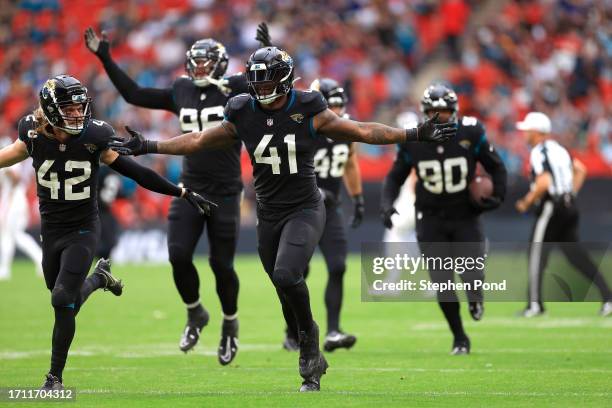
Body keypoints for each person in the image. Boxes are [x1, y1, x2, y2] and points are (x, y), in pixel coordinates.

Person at [109, 47, 456, 391]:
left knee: (287, 273)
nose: (259, 87)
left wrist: (410, 134)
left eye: (266, 80)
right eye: (255, 80)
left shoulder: (308, 107)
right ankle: (307, 340)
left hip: (305, 206)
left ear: (285, 80)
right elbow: (200, 139)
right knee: (283, 287)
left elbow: (361, 131)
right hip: (269, 213)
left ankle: (309, 343)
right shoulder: (242, 109)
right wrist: (150, 146)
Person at [0, 75, 215, 390]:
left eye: (79, 107)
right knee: (64, 298)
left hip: (83, 228)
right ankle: (100, 278)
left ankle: (54, 378)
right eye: (69, 109)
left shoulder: (94, 137)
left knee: (62, 299)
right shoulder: (33, 134)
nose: (77, 114)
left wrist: (181, 192)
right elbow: (8, 156)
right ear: (50, 108)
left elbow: (137, 173)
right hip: (52, 228)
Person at [85, 24, 271, 364]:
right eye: (195, 62)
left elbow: (268, 85)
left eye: (206, 63)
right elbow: (134, 94)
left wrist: (267, 49)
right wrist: (106, 57)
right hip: (190, 186)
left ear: (220, 64)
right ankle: (195, 312)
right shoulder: (182, 89)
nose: (199, 68)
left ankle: (230, 322)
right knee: (178, 254)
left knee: (221, 264)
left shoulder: (238, 88)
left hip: (226, 189)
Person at [381, 83, 507, 355]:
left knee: (471, 271)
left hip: (464, 213)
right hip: (431, 217)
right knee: (442, 281)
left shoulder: (471, 133)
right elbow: (395, 175)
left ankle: (475, 296)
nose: (440, 117)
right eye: (434, 112)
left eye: (446, 112)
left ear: (455, 112)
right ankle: (459, 337)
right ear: (425, 112)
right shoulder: (415, 139)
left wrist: (499, 195)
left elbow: (497, 166)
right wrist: (386, 203)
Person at [281, 78, 364, 353]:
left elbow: (350, 161)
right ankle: (293, 331)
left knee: (338, 266)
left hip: (332, 209)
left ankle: (333, 330)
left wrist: (358, 198)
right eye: (333, 105)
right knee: (296, 271)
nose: (337, 112)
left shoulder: (345, 127)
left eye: (340, 105)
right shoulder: (306, 127)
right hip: (301, 208)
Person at [515, 112, 612, 317]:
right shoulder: (560, 149)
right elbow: (581, 170)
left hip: (551, 207)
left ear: (537, 131)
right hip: (568, 207)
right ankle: (608, 298)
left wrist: (526, 201)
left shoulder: (538, 151)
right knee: (576, 256)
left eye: (527, 129)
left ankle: (535, 305)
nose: (524, 133)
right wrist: (570, 194)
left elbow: (544, 182)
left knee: (536, 254)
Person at [0, 137, 43, 279]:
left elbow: (16, 177)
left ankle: (5, 269)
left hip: (14, 198)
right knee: (16, 235)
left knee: (8, 234)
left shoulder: (11, 160)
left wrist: (7, 174)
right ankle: (40, 259)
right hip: (15, 198)